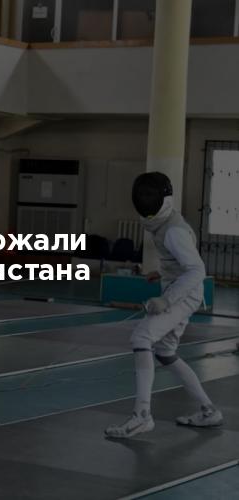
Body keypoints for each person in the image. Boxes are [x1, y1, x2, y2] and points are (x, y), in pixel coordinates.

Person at [105, 172, 223, 439]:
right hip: (181, 289)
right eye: (142, 194)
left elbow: (197, 270)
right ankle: (209, 411)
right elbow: (182, 262)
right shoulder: (164, 224)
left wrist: (166, 299)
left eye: (149, 195)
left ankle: (142, 416)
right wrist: (162, 273)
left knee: (142, 337)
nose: (145, 199)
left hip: (184, 294)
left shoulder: (173, 231)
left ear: (163, 198)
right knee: (165, 351)